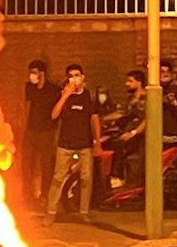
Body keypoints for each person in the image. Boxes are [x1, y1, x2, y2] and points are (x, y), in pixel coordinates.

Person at [44, 64, 99, 223]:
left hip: (85, 144)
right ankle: (51, 211)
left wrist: (97, 142)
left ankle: (84, 211)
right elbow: (54, 115)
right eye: (71, 75)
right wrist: (65, 96)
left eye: (77, 75)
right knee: (58, 178)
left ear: (83, 77)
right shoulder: (63, 96)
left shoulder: (89, 96)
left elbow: (94, 119)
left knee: (86, 178)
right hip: (65, 144)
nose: (74, 78)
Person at [20, 60, 61, 208]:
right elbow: (27, 107)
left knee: (46, 164)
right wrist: (24, 129)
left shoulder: (53, 90)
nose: (32, 75)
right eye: (30, 72)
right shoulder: (30, 88)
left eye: (34, 72)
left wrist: (56, 133)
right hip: (32, 131)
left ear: (42, 73)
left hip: (47, 131)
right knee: (28, 163)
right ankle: (28, 195)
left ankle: (45, 195)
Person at [110, 70, 147, 188]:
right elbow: (124, 113)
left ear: (139, 82)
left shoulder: (144, 98)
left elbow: (147, 120)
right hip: (128, 130)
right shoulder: (132, 98)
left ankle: (117, 177)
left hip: (140, 136)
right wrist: (103, 118)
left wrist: (133, 133)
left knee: (119, 145)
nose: (127, 84)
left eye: (130, 81)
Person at [160, 61, 177, 138]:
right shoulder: (154, 89)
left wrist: (173, 101)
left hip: (171, 131)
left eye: (168, 71)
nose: (165, 74)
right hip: (159, 130)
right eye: (162, 72)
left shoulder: (173, 89)